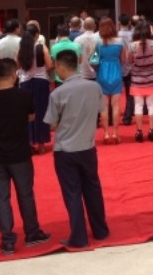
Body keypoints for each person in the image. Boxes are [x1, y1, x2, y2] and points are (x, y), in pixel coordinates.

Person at [0, 58, 51, 255]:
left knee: (1, 198)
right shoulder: (23, 95)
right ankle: (32, 232)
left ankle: (8, 240)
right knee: (25, 194)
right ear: (14, 75)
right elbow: (31, 116)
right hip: (20, 152)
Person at [44, 50, 110, 249]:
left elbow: (51, 124)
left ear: (61, 67)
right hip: (87, 146)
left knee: (72, 193)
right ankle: (100, 230)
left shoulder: (57, 93)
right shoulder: (94, 87)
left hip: (65, 150)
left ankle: (79, 236)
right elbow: (100, 111)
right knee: (93, 189)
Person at [17, 25, 54, 155]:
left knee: (26, 112)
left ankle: (29, 142)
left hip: (25, 83)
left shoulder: (21, 49)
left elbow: (17, 65)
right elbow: (49, 65)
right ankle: (41, 144)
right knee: (41, 111)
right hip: (41, 82)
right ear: (37, 35)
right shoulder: (41, 47)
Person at [128, 20, 153, 142]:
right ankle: (152, 130)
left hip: (137, 79)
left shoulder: (132, 46)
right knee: (151, 105)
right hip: (151, 78)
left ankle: (139, 131)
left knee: (138, 105)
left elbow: (129, 60)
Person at [95, 17, 125, 144]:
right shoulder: (120, 41)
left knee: (104, 107)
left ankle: (106, 134)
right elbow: (123, 60)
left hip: (102, 73)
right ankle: (116, 133)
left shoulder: (98, 43)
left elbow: (94, 60)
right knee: (116, 105)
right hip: (116, 72)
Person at [118, 13, 136, 126]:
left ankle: (112, 115)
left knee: (115, 93)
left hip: (119, 66)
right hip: (130, 65)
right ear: (129, 22)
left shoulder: (116, 35)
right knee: (130, 93)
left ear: (119, 23)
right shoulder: (132, 35)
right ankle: (127, 117)